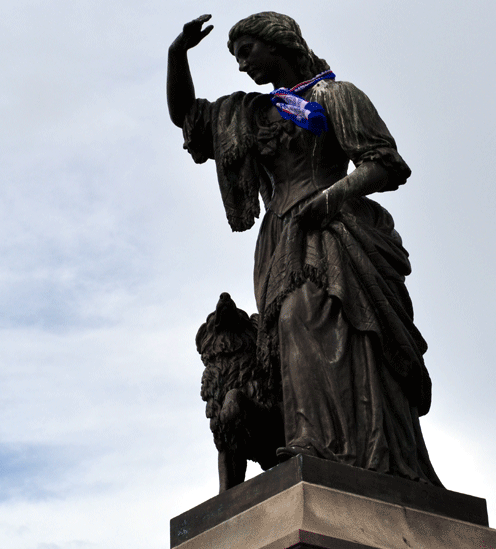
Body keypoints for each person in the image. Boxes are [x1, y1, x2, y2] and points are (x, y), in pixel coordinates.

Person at [167, 12, 442, 486]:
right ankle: (306, 441)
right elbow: (187, 118)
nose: (240, 65)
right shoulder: (250, 114)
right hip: (279, 241)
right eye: (234, 56)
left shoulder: (335, 96)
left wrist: (330, 198)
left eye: (246, 51)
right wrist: (177, 55)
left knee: (310, 322)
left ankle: (335, 449)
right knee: (288, 340)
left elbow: (385, 165)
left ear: (279, 44)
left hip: (335, 231)